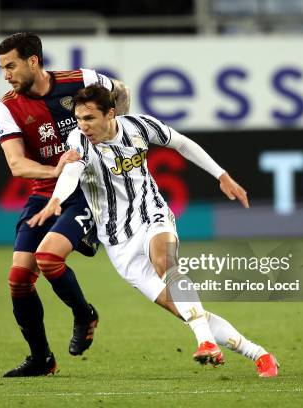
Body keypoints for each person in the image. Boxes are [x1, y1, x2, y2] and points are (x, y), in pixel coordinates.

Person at [28, 84, 279, 377]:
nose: (83, 126)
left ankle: (206, 342)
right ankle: (260, 355)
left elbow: (183, 144)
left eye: (90, 118)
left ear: (110, 114)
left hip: (152, 215)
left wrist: (222, 175)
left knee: (165, 261)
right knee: (186, 311)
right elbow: (71, 173)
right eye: (79, 119)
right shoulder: (79, 141)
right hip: (118, 242)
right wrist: (56, 200)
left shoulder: (140, 127)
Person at [0, 33, 130, 377]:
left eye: (11, 66)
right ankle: (41, 359)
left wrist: (117, 139)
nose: (6, 75)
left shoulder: (81, 80)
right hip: (45, 193)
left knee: (49, 258)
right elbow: (16, 164)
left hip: (88, 189)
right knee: (18, 278)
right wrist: (55, 169)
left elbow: (122, 92)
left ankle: (83, 314)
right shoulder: (7, 107)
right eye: (2, 68)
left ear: (33, 61)